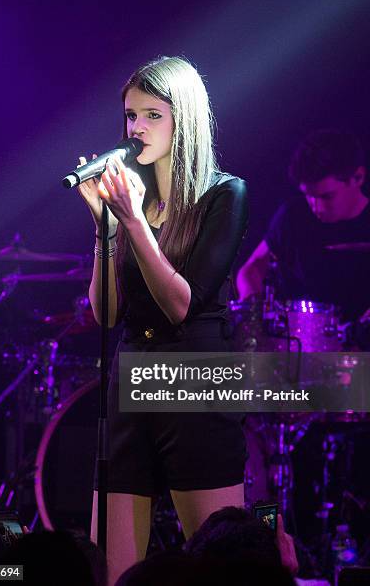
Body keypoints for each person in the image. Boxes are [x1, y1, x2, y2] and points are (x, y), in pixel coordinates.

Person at [77, 56, 248, 584]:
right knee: (113, 565)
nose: (136, 130)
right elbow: (106, 313)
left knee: (216, 559)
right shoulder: (135, 202)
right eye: (130, 116)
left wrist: (133, 221)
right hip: (131, 372)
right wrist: (108, 230)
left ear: (185, 120)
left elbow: (180, 304)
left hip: (194, 374)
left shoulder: (224, 194)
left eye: (152, 115)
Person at [236, 129, 369, 323]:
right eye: (309, 195)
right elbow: (252, 269)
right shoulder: (293, 215)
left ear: (357, 178)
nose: (315, 206)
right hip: (297, 342)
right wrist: (253, 309)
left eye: (326, 196)